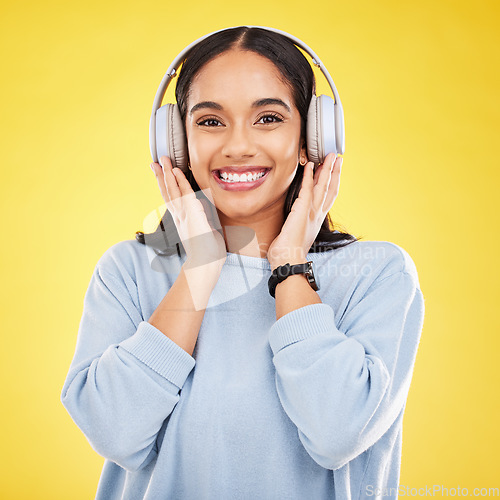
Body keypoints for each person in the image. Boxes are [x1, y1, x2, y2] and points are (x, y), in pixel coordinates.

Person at [61, 26, 425, 500]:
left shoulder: (377, 274)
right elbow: (113, 432)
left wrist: (289, 263)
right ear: (175, 142)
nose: (237, 145)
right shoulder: (129, 271)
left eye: (268, 118)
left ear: (311, 139)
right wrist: (202, 265)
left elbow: (337, 434)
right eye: (210, 122)